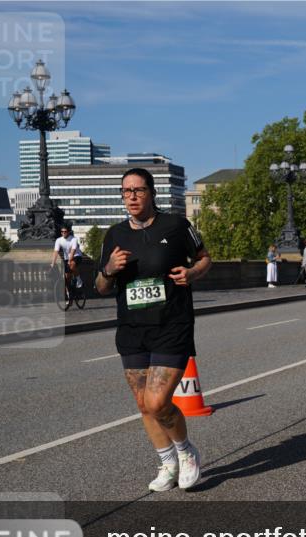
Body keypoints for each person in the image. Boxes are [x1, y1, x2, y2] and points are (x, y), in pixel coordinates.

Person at [95, 167, 212, 492]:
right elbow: (101, 286)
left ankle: (186, 452)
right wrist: (108, 268)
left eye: (138, 190)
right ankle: (168, 461)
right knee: (144, 404)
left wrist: (191, 273)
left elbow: (204, 259)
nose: (131, 196)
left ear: (151, 193)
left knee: (159, 400)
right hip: (132, 329)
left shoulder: (176, 226)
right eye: (126, 191)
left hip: (171, 323)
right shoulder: (115, 235)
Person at [50, 224, 86, 309]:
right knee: (67, 278)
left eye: (65, 232)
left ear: (68, 232)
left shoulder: (73, 239)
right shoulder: (59, 240)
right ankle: (69, 295)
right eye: (62, 232)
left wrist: (70, 259)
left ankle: (78, 280)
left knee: (72, 264)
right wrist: (53, 262)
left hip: (77, 256)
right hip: (67, 258)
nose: (63, 233)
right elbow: (56, 251)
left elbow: (73, 250)